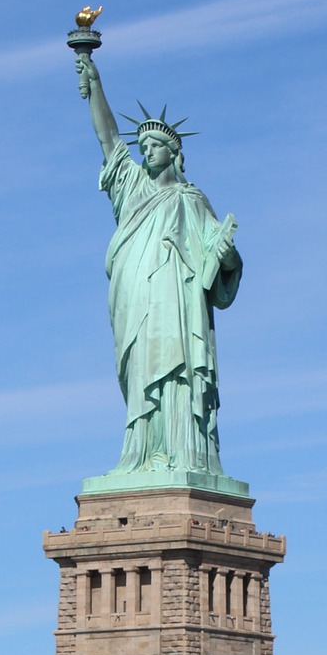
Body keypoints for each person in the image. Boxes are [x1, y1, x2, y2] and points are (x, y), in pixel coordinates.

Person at [73, 46, 241, 481]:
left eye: (155, 146)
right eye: (143, 145)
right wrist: (95, 84)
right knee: (141, 370)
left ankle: (185, 454)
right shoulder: (130, 189)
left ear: (174, 152)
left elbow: (219, 264)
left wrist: (227, 256)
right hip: (136, 299)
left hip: (178, 304)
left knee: (178, 372)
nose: (146, 151)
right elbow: (108, 139)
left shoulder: (191, 199)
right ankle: (143, 454)